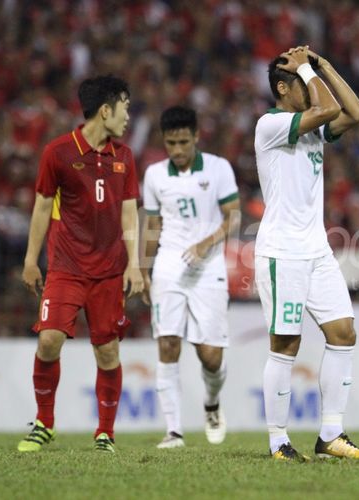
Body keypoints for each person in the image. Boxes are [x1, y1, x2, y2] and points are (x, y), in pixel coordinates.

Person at [254, 46, 359, 461]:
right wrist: (306, 67)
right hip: (281, 251)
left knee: (343, 333)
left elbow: (356, 112)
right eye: (302, 79)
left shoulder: (312, 128)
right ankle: (277, 441)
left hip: (316, 250)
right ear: (283, 88)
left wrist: (324, 64)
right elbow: (326, 109)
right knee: (285, 344)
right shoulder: (270, 125)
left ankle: (331, 436)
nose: (310, 85)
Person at [17, 75, 143, 453]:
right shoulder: (57, 153)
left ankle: (105, 431)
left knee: (107, 352)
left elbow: (130, 215)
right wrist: (29, 259)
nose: (127, 117)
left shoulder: (124, 157)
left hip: (108, 272)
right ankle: (44, 422)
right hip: (66, 267)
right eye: (124, 107)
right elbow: (41, 207)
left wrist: (134, 264)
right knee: (49, 340)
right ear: (105, 110)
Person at [141, 106, 240, 449]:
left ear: (197, 136)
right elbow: (152, 225)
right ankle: (174, 432)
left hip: (208, 267)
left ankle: (211, 403)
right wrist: (142, 269)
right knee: (167, 343)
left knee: (210, 355)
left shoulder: (218, 168)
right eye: (171, 143)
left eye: (184, 141)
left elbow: (234, 218)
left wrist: (206, 243)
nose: (178, 150)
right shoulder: (154, 175)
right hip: (168, 265)